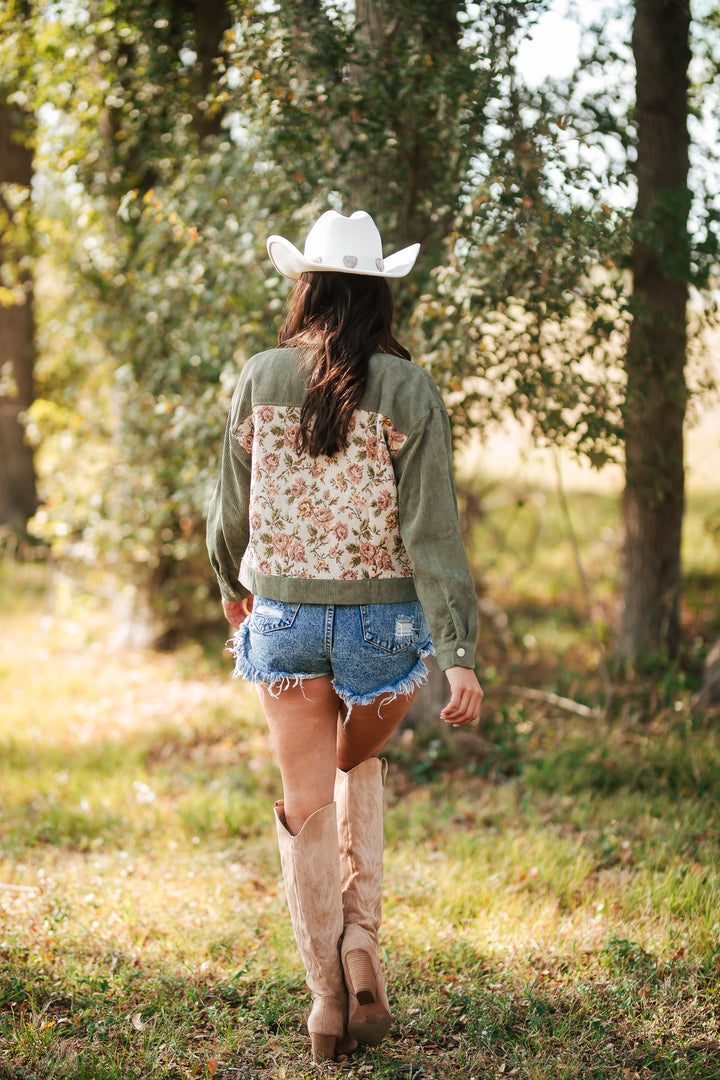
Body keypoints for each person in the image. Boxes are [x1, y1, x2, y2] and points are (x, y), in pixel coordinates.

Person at [206, 209, 483, 1063]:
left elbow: (228, 511)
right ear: (379, 293)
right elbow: (432, 532)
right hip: (381, 625)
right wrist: (457, 654)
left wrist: (231, 590)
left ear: (308, 285)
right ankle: (360, 947)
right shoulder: (409, 389)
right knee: (355, 761)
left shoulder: (259, 375)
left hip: (282, 620)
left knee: (305, 802)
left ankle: (327, 1002)